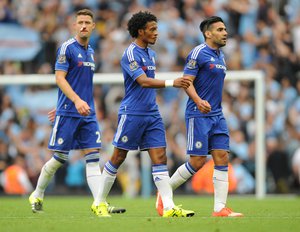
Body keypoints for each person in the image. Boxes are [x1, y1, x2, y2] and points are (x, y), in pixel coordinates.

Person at [92, 11, 194, 218]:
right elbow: (143, 81)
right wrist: (171, 83)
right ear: (140, 31)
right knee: (118, 156)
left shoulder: (151, 54)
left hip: (152, 113)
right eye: (152, 29)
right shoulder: (130, 54)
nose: (157, 33)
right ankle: (99, 202)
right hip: (132, 113)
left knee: (160, 157)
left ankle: (168, 207)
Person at [28, 9, 125, 215]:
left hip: (86, 112)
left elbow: (79, 83)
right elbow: (60, 78)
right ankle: (37, 194)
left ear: (92, 26)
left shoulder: (90, 51)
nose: (83, 25)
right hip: (71, 111)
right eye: (79, 22)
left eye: (87, 22)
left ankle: (99, 203)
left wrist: (77, 101)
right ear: (74, 25)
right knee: (59, 158)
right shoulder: (67, 48)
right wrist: (73, 101)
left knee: (93, 157)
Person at [156, 16, 243, 217]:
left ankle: (220, 208)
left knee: (222, 157)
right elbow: (187, 81)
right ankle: (164, 194)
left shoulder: (221, 56)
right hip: (198, 113)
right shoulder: (198, 53)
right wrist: (198, 101)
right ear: (208, 33)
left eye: (225, 29)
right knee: (197, 162)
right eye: (220, 29)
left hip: (217, 114)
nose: (225, 33)